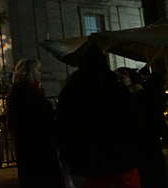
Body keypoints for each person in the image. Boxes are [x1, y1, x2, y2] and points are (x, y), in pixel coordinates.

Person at [57, 43, 141, 188]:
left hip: (89, 162)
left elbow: (64, 125)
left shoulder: (71, 89)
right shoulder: (115, 85)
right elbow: (133, 120)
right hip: (121, 158)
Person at [7, 59, 65, 188]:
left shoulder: (26, 91)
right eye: (38, 70)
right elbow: (38, 116)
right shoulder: (25, 92)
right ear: (30, 72)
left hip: (34, 145)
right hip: (37, 144)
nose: (40, 73)